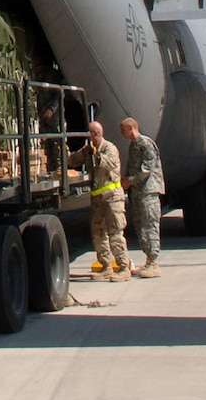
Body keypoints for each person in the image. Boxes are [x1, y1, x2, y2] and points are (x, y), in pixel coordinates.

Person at [68, 120, 130, 280]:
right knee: (98, 233)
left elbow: (109, 164)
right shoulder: (88, 150)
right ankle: (105, 265)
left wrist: (96, 155)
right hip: (97, 198)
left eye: (90, 135)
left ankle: (123, 267)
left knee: (115, 232)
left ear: (96, 134)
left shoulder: (109, 148)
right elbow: (74, 160)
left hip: (112, 197)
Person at [120, 116, 165, 277]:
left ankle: (153, 263)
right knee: (141, 227)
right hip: (139, 193)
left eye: (123, 129)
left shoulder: (145, 144)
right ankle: (149, 261)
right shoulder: (134, 145)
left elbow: (147, 169)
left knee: (149, 225)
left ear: (131, 128)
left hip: (148, 193)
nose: (121, 133)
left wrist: (129, 181)